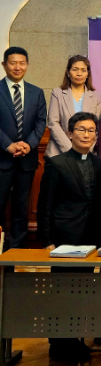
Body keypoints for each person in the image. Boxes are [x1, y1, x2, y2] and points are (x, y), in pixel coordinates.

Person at [37, 112, 101, 362]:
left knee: (83, 292)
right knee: (61, 293)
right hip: (63, 240)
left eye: (91, 131)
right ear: (70, 133)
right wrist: (47, 240)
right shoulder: (57, 163)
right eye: (81, 130)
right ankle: (58, 344)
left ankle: (76, 339)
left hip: (91, 239)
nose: (86, 135)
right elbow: (45, 205)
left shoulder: (100, 163)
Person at [0, 47, 47, 249]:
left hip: (27, 160)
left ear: (27, 65)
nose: (17, 67)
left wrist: (28, 144)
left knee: (21, 209)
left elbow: (40, 122)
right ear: (4, 65)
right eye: (13, 63)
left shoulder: (36, 93)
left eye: (21, 63)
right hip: (2, 158)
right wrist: (8, 145)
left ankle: (15, 251)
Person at [46, 55, 101, 158]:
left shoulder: (95, 96)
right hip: (60, 151)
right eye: (75, 69)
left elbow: (96, 126)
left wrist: (85, 148)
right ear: (68, 73)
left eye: (83, 70)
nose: (79, 73)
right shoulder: (57, 93)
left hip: (86, 152)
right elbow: (53, 123)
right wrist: (71, 149)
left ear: (87, 74)